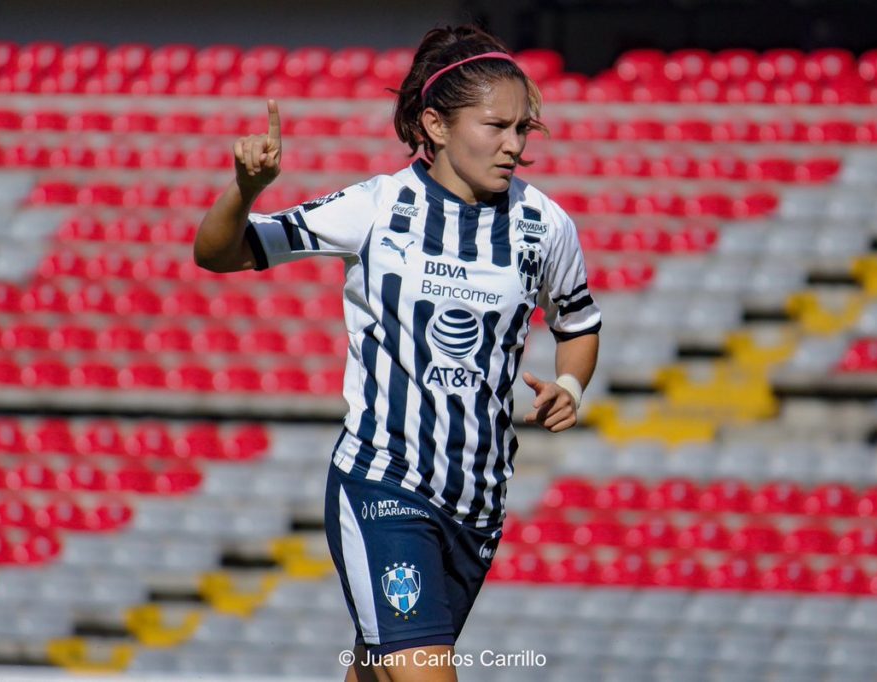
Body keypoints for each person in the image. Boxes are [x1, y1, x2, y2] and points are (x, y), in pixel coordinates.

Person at [194, 24, 600, 682]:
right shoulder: (377, 206)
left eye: (524, 129)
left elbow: (578, 323)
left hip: (478, 503)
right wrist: (245, 189)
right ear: (436, 126)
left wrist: (571, 386)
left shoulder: (544, 225)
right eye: (496, 126)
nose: (514, 145)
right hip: (386, 484)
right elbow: (219, 253)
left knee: (376, 674)